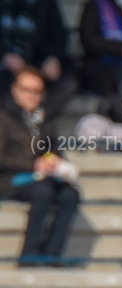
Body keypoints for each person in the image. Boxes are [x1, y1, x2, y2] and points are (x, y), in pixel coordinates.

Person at [0, 68, 80, 267]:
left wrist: (55, 163)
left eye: (36, 91)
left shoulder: (44, 120)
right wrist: (33, 164)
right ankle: (30, 253)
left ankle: (52, 254)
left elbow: (54, 150)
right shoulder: (4, 118)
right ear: (15, 90)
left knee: (70, 194)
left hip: (40, 177)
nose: (31, 95)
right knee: (43, 191)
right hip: (10, 179)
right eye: (26, 90)